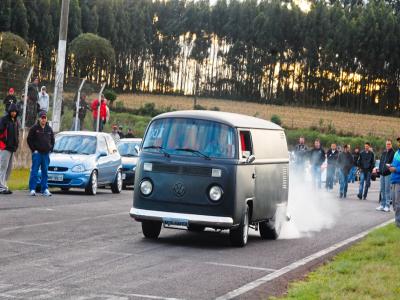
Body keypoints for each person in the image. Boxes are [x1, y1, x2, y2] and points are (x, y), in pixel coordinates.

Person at [27, 111, 55, 197]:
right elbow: (29, 140)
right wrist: (33, 150)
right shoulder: (34, 128)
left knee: (45, 172)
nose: (43, 119)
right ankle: (32, 189)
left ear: (46, 119)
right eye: (42, 118)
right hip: (37, 153)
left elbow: (52, 140)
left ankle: (44, 189)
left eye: (45, 118)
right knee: (34, 171)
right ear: (39, 119)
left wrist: (51, 149)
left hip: (46, 154)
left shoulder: (49, 129)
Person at [0, 104, 20, 194]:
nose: (14, 113)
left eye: (15, 111)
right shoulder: (4, 120)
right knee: (2, 167)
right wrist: (3, 143)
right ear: (9, 111)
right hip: (5, 147)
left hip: (12, 148)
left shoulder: (16, 121)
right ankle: (1, 187)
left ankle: (4, 185)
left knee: (9, 168)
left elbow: (17, 134)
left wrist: (17, 143)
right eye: (12, 111)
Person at [376, 139, 394, 212]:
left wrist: (389, 167)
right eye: (387, 144)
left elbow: (393, 163)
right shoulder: (383, 152)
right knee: (382, 190)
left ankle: (387, 206)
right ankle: (382, 205)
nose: (388, 145)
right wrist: (379, 169)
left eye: (389, 144)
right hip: (382, 173)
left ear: (391, 145)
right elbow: (381, 163)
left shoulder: (393, 153)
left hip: (388, 174)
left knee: (387, 190)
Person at [389, 137, 400, 228]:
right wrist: (390, 166)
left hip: (399, 181)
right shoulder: (396, 153)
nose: (399, 143)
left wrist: (395, 169)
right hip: (393, 179)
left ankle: (398, 223)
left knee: (397, 202)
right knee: (393, 202)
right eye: (399, 141)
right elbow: (393, 164)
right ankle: (397, 220)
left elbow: (396, 168)